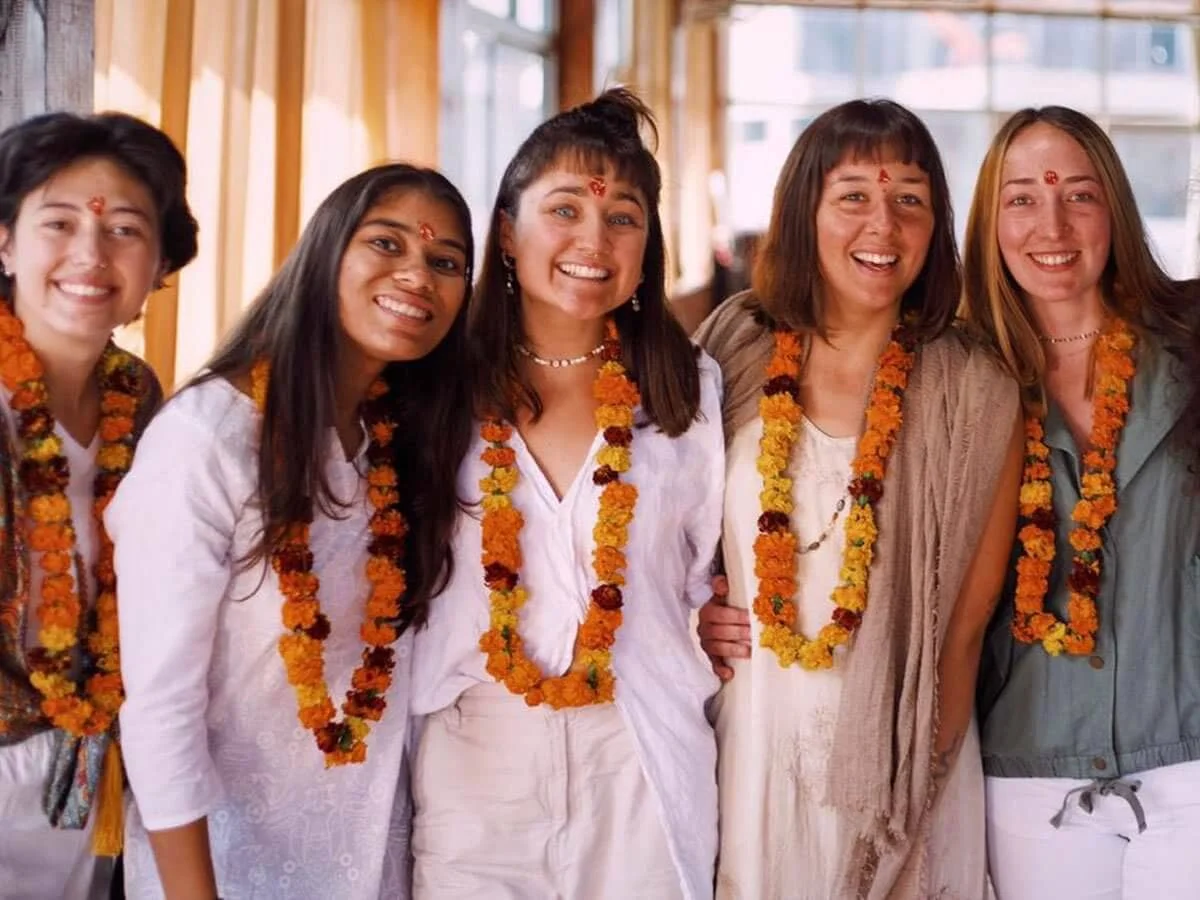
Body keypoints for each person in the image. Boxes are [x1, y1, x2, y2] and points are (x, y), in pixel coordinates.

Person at [108, 163, 474, 899]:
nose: (417, 276)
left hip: (373, 855)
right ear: (326, 252)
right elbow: (158, 705)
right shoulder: (208, 436)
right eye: (386, 243)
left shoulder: (397, 439)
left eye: (445, 262)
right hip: (224, 866)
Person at [694, 99, 1022, 899]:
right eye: (853, 196)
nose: (883, 224)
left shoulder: (974, 386)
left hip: (906, 762)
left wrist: (905, 807)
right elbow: (669, 544)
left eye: (909, 198)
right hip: (752, 754)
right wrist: (691, 614)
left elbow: (964, 633)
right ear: (804, 211)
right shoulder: (733, 346)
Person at [407, 88, 725, 900]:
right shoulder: (435, 382)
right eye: (565, 211)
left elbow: (702, 567)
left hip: (641, 749)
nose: (595, 239)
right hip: (477, 750)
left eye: (624, 217)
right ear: (507, 233)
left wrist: (717, 614)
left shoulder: (687, 388)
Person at [960, 106, 1200, 900]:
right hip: (1033, 777)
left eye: (1079, 196)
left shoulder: (1191, 352)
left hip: (1191, 763)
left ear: (1116, 212)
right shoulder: (957, 381)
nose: (1051, 224)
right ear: (990, 222)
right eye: (1022, 198)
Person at [0, 111, 198, 900]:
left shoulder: (139, 395)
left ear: (159, 264)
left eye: (124, 229)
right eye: (58, 223)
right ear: (6, 242)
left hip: (87, 778)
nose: (91, 254)